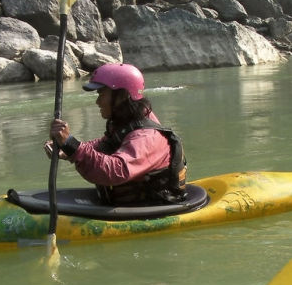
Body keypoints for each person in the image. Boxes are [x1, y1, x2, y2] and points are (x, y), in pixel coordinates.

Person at [46, 63, 188, 206]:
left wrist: (72, 145)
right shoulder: (130, 121)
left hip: (151, 207)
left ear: (122, 95)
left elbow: (116, 171)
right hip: (125, 204)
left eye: (101, 93)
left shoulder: (147, 136)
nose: (97, 101)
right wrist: (66, 149)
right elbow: (106, 144)